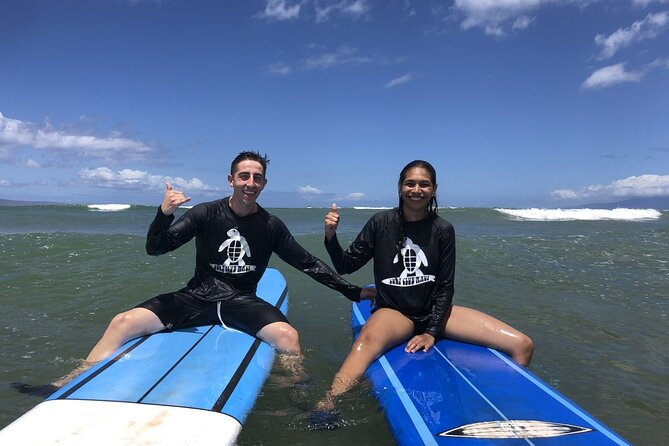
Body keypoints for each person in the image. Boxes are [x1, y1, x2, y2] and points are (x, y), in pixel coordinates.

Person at [55, 151, 374, 387]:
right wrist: (164, 214)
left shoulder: (270, 225)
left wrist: (353, 291)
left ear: (264, 183)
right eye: (244, 176)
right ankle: (71, 381)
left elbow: (307, 263)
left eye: (257, 177)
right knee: (122, 322)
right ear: (231, 179)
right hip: (197, 297)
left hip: (241, 301)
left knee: (288, 337)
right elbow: (156, 248)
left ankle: (297, 392)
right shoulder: (206, 213)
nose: (250, 183)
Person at [315, 159, 533, 416]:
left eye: (423, 184)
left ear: (433, 189)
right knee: (365, 343)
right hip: (395, 313)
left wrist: (432, 331)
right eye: (410, 183)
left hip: (434, 312)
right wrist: (331, 236)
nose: (416, 189)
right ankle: (328, 403)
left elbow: (445, 285)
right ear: (400, 187)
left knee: (522, 345)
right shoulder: (380, 223)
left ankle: (512, 409)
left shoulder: (443, 230)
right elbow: (346, 265)